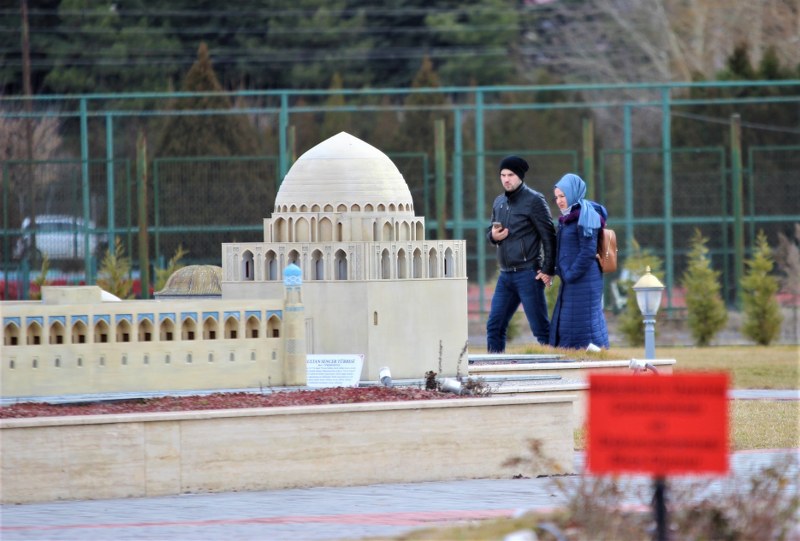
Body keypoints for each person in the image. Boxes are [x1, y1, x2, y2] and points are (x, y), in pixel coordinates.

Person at [486, 156, 557, 352]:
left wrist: (548, 268)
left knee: (541, 330)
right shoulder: (499, 202)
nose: (506, 179)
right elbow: (490, 232)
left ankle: (556, 366)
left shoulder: (534, 200)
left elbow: (549, 236)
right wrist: (493, 236)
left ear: (520, 177)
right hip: (505, 275)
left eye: (510, 175)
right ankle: (493, 374)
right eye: (502, 175)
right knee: (494, 326)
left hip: (528, 274)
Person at [549, 173, 610, 349]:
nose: (559, 201)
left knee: (583, 324)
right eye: (557, 197)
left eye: (563, 196)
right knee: (572, 323)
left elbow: (587, 252)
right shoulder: (569, 218)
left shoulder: (586, 216)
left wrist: (569, 274)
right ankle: (577, 358)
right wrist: (557, 270)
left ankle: (594, 358)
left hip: (583, 280)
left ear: (573, 193)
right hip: (575, 280)